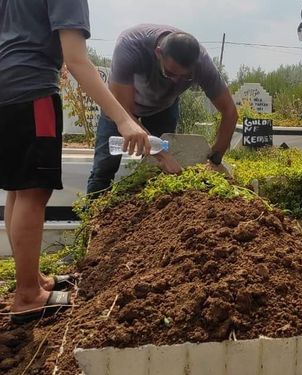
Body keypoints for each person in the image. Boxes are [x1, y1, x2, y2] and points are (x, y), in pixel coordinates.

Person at [0, 0, 150, 324]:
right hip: (32, 89)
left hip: (6, 90)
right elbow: (78, 60)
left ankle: (33, 279)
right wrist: (124, 120)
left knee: (18, 188)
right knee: (34, 191)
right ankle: (28, 296)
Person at [86, 24, 238, 196]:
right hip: (121, 108)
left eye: (185, 77)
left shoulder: (202, 63)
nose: (176, 82)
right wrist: (162, 154)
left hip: (163, 109)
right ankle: (93, 216)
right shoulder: (131, 46)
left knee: (158, 173)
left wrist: (215, 158)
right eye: (171, 73)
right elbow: (123, 111)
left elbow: (230, 112)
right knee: (104, 169)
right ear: (158, 53)